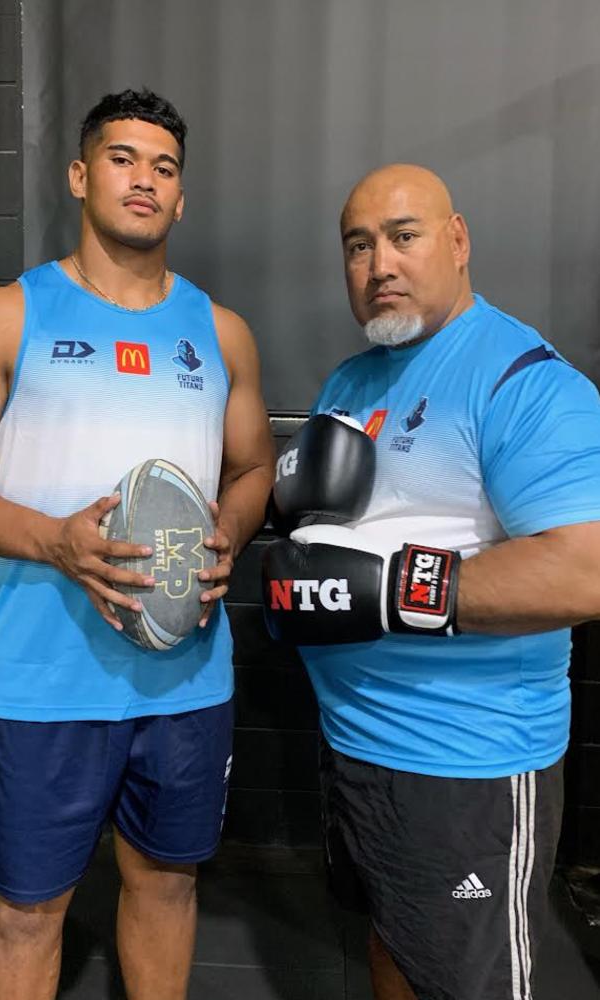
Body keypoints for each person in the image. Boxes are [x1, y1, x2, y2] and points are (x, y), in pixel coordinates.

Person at [0, 88, 274, 1000]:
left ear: (182, 198)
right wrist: (51, 540)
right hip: (43, 683)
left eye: (164, 168)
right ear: (82, 175)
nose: (145, 180)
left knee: (168, 887)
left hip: (186, 681)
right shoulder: (7, 318)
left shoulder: (221, 335)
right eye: (125, 159)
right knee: (24, 912)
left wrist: (234, 523)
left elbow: (255, 469)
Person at [262, 163, 600, 1000]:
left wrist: (381, 588)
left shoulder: (524, 382)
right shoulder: (351, 382)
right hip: (355, 746)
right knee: (392, 945)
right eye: (358, 245)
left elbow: (584, 569)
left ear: (457, 240)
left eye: (404, 236)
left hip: (467, 767)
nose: (380, 264)